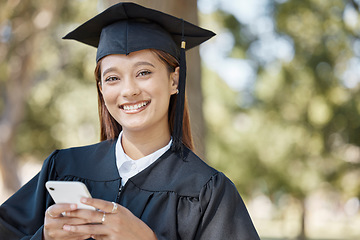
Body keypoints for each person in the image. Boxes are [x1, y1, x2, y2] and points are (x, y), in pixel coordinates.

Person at [0, 2, 260, 240]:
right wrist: (43, 237)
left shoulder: (207, 192)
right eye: (113, 78)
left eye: (143, 72)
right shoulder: (64, 167)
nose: (129, 90)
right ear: (101, 88)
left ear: (174, 80)